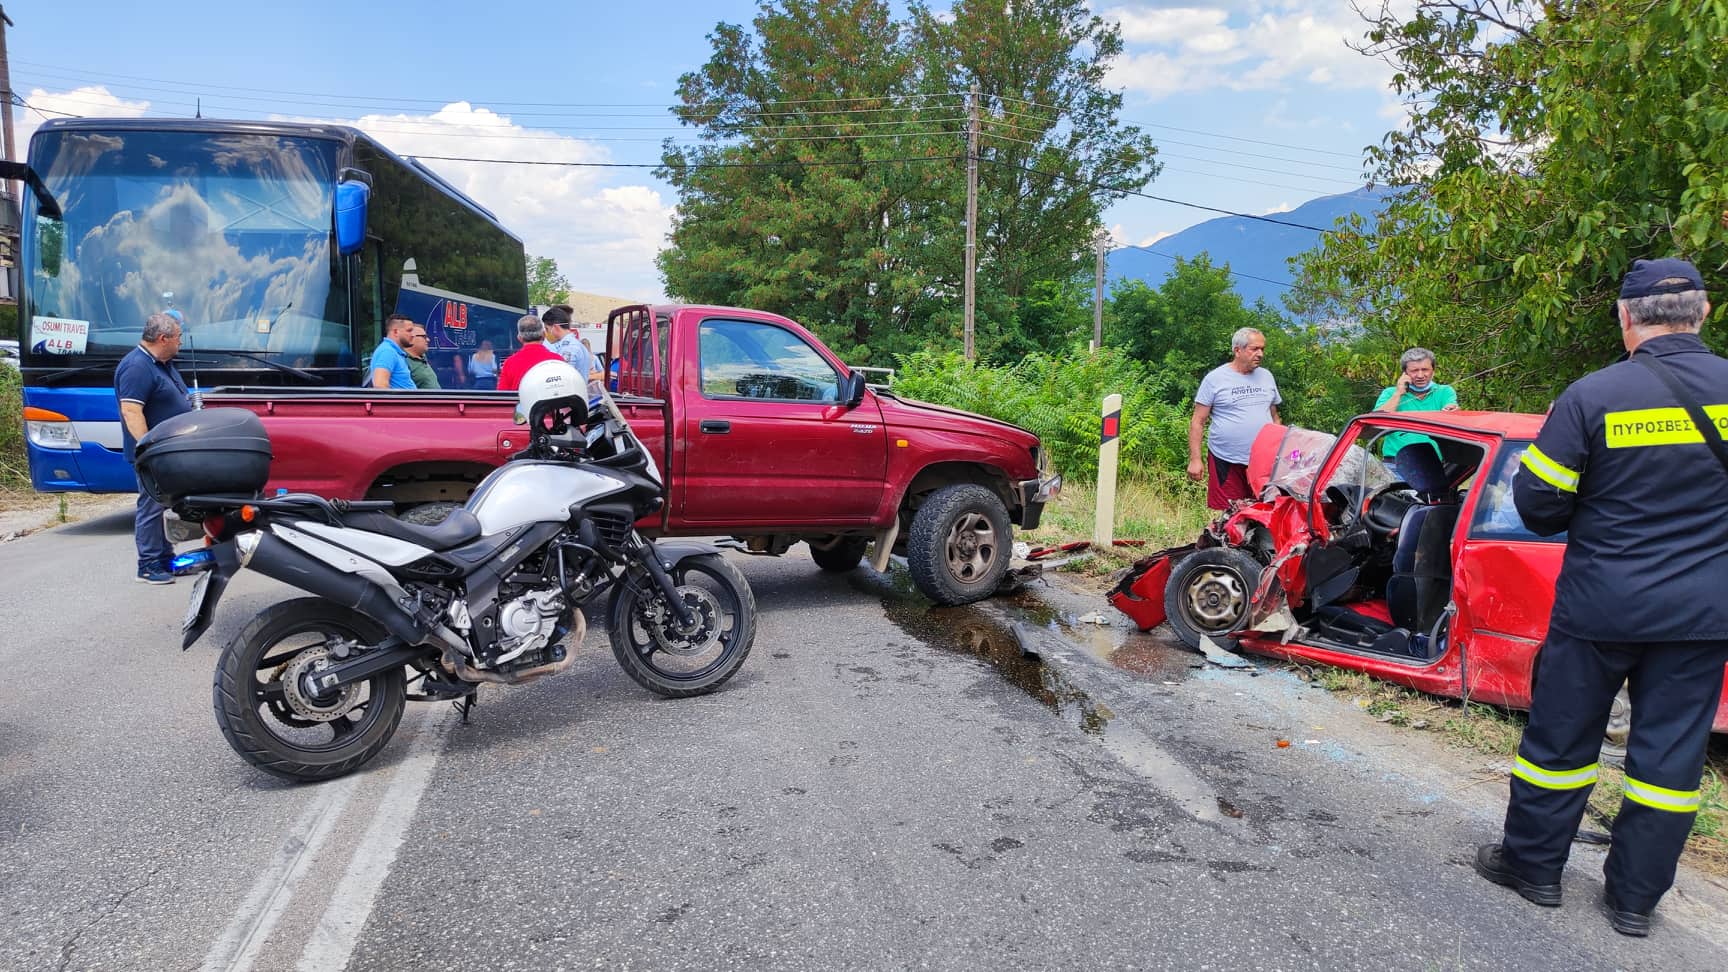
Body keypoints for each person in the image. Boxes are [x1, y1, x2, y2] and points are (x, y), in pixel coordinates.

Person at [1474, 258, 1728, 938]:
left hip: (1600, 604)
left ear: (1625, 319)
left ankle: (1532, 870)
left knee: (1560, 741)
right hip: (1703, 615)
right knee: (1670, 765)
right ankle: (1635, 902)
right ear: (1702, 313)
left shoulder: (1594, 396)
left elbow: (1536, 504)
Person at [115, 312, 191, 584]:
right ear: (163, 338)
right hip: (153, 453)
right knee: (151, 506)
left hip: (168, 452)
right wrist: (148, 449)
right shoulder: (137, 367)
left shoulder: (162, 363)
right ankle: (147, 565)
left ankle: (165, 559)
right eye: (178, 337)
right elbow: (131, 411)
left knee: (164, 504)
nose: (181, 342)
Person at [1187, 327, 1282, 509]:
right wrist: (1195, 459)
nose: (1260, 354)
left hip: (1262, 462)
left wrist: (1279, 451)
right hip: (1226, 459)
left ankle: (1258, 539)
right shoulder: (1215, 379)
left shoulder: (1267, 377)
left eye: (1262, 349)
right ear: (1237, 350)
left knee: (1264, 509)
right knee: (1229, 514)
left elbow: (1274, 417)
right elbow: (1198, 421)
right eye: (1254, 349)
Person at [1374, 347, 1460, 495]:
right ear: (1405, 373)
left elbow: (1451, 409)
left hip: (1433, 467)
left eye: (1425, 369)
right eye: (1414, 371)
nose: (1420, 375)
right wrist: (1399, 393)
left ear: (1433, 370)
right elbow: (1376, 422)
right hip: (1395, 466)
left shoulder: (1444, 391)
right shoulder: (1390, 393)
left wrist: (1452, 411)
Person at [497, 314, 564, 392]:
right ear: (544, 335)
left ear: (519, 338)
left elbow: (504, 395)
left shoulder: (509, 363)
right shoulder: (558, 361)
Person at [542, 304, 602, 385]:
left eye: (547, 329)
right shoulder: (576, 344)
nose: (546, 333)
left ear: (556, 327)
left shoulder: (569, 348)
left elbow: (563, 378)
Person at [368, 313, 416, 389]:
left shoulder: (392, 351)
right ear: (395, 332)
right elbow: (380, 385)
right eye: (409, 331)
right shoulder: (387, 352)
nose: (413, 335)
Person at [405, 325, 440, 389]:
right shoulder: (403, 360)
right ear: (411, 338)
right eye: (424, 337)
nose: (428, 340)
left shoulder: (423, 356)